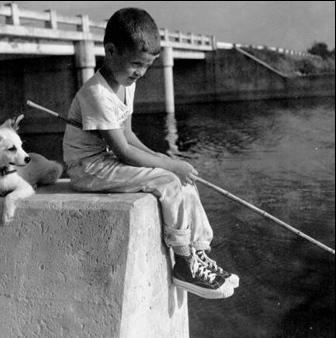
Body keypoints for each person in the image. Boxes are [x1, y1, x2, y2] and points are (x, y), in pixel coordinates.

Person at [63, 8, 239, 299]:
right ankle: (183, 263)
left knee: (182, 179)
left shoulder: (125, 84)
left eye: (146, 67)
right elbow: (123, 152)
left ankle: (198, 252)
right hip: (88, 169)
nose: (140, 73)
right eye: (136, 64)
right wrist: (169, 167)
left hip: (106, 162)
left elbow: (129, 135)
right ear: (111, 51)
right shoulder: (96, 93)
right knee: (169, 181)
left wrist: (168, 161)